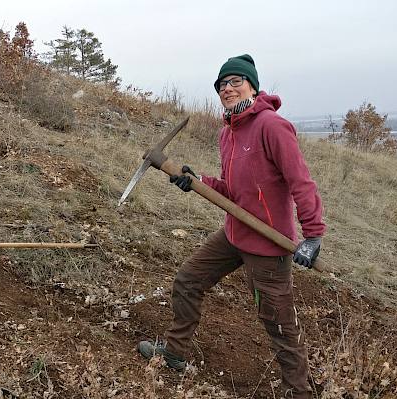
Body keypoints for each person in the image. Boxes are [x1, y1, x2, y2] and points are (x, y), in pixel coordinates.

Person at [137, 54, 326, 399]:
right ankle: (175, 354)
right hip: (235, 232)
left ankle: (299, 393)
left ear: (253, 86)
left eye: (236, 81)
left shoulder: (272, 126)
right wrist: (197, 180)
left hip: (270, 246)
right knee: (188, 280)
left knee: (280, 326)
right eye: (222, 85)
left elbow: (301, 181)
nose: (228, 89)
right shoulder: (229, 133)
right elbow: (232, 190)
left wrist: (313, 234)